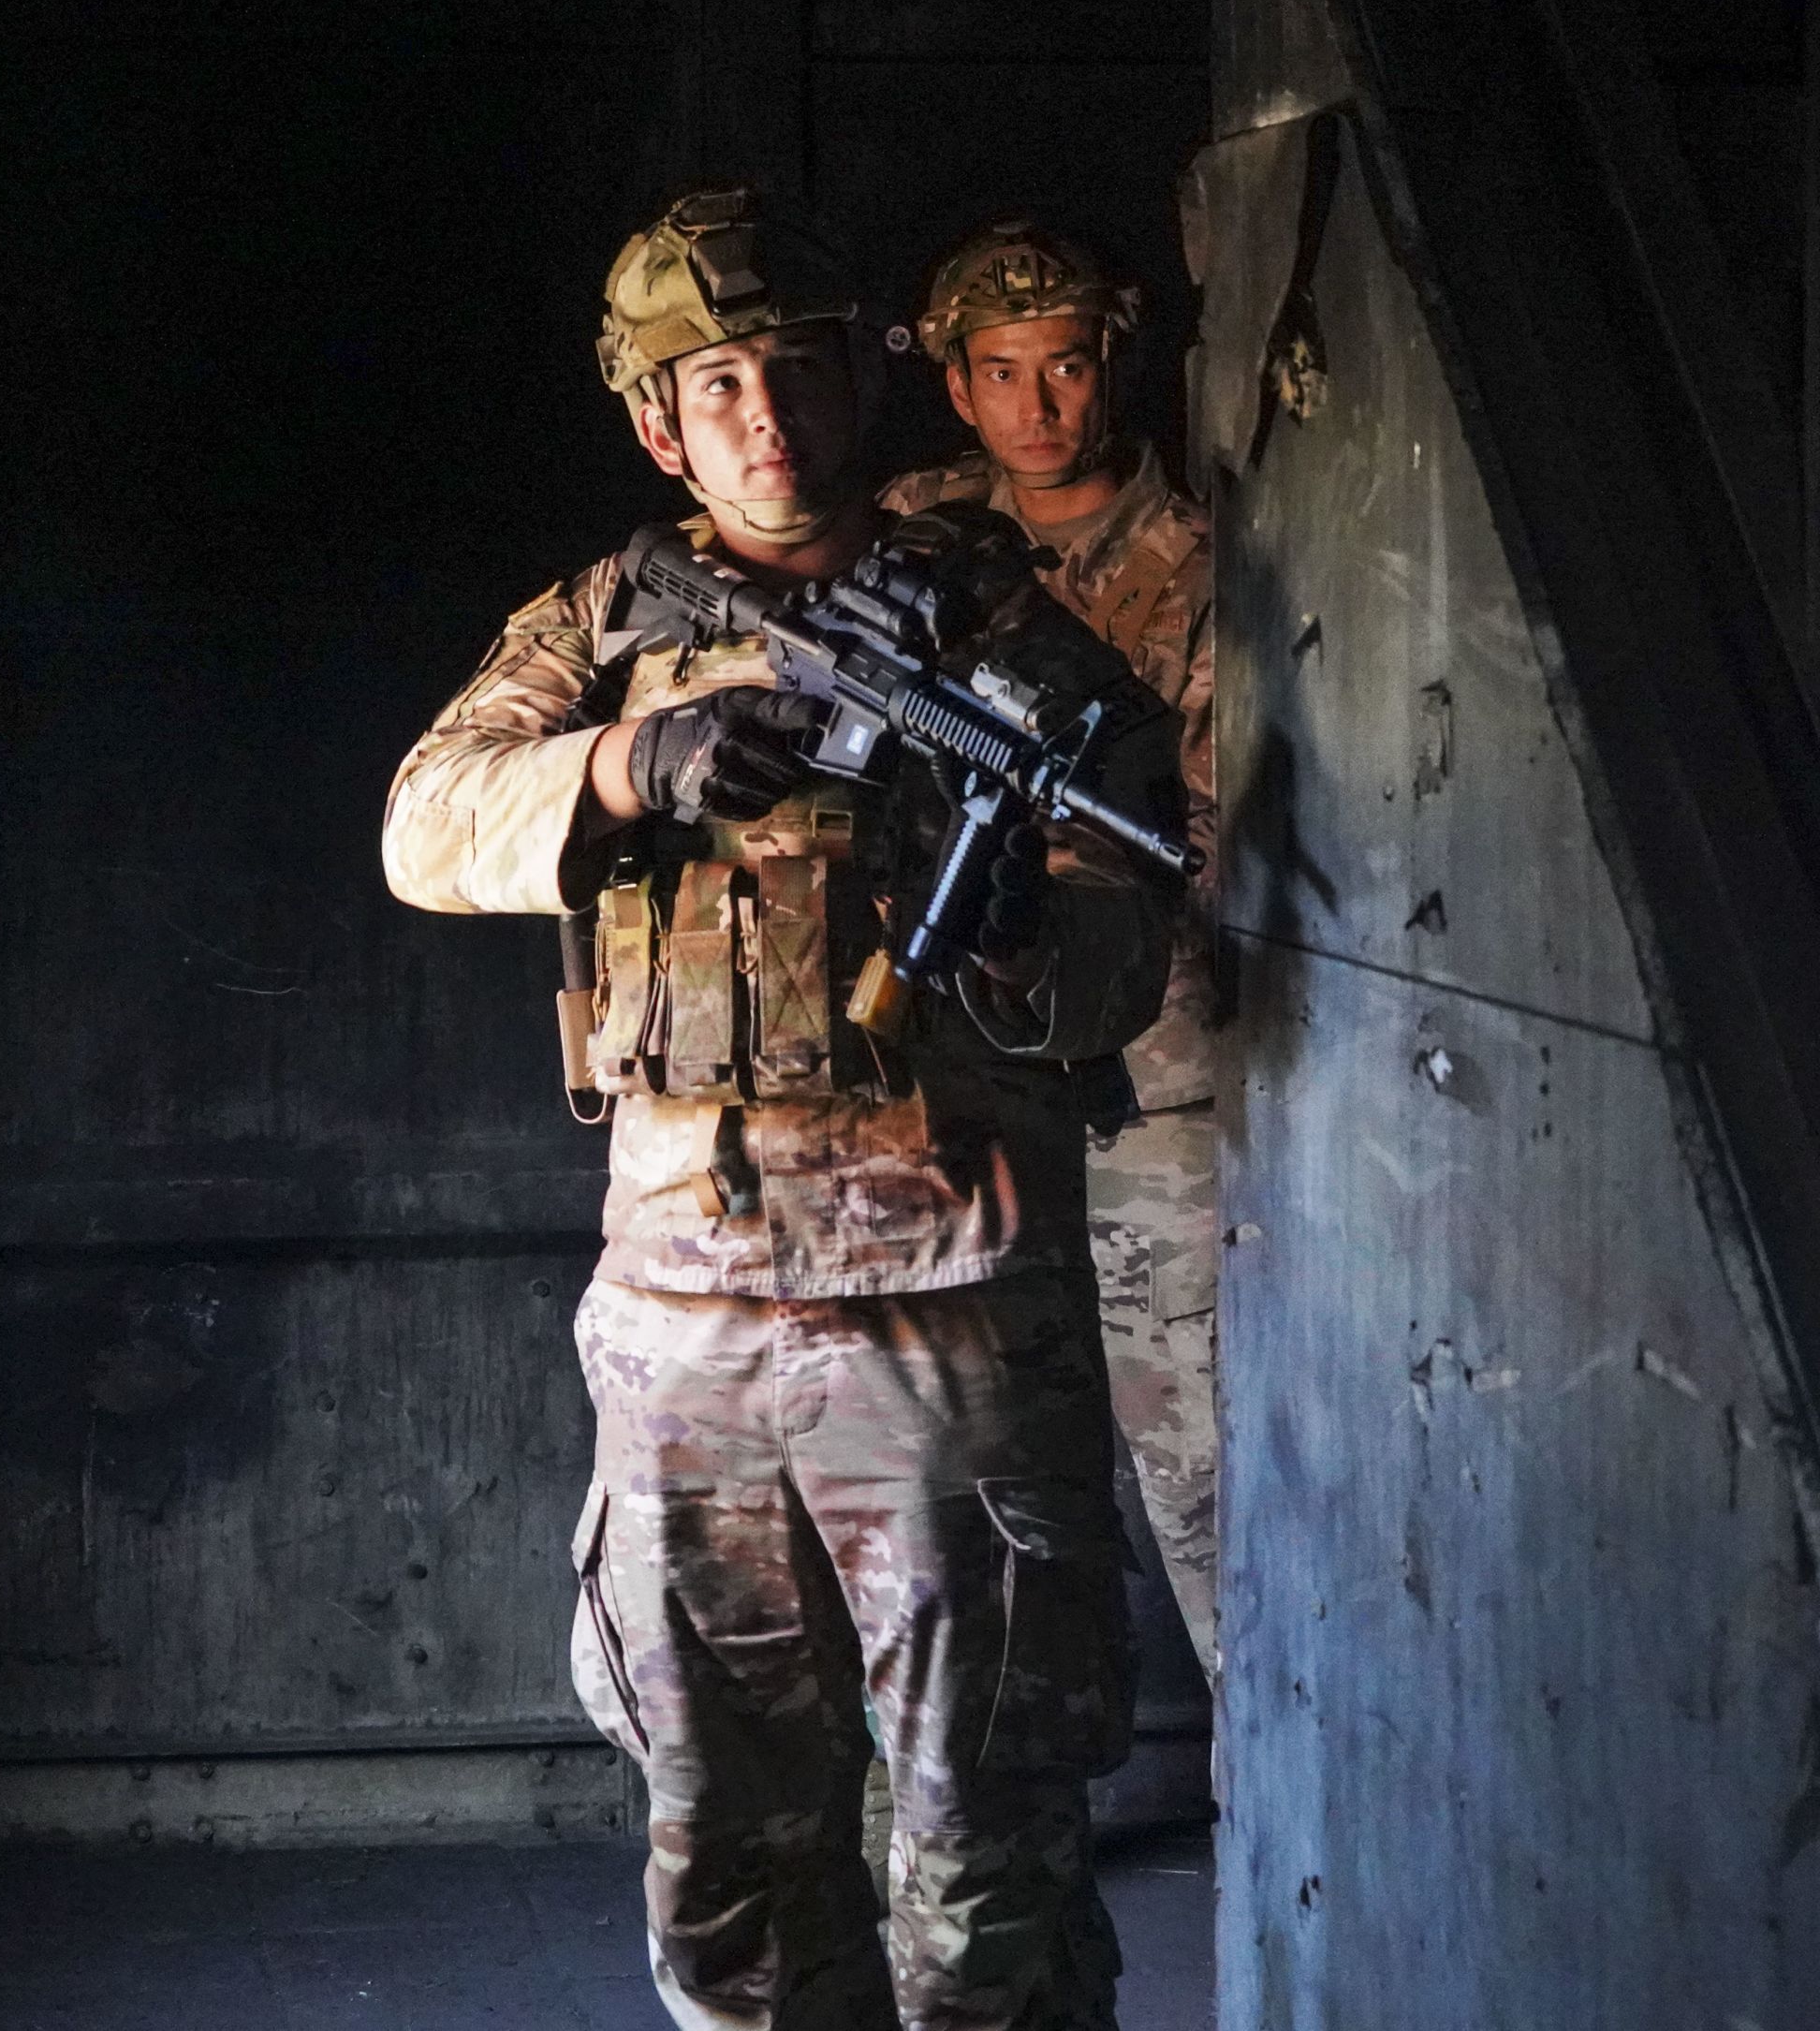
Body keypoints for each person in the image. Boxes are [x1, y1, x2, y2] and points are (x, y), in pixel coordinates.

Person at [384, 184, 1180, 2031]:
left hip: (946, 1313)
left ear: (855, 391)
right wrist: (624, 758)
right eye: (715, 382)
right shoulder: (604, 620)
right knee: (722, 1851)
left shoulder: (994, 627)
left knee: (981, 1865)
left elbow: (1127, 936)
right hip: (680, 1327)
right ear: (659, 421)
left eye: (795, 371)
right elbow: (425, 825)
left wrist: (990, 925)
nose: (763, 415)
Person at [882, 218, 1224, 1676]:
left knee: (1196, 1465)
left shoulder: (1199, 566)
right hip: (946, 1082)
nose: (1038, 406)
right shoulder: (915, 539)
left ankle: (1271, 1805)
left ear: (1112, 370)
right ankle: (994, 1802)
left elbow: (1208, 821)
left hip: (1153, 1072)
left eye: (1067, 366)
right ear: (958, 388)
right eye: (1003, 372)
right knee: (946, 1470)